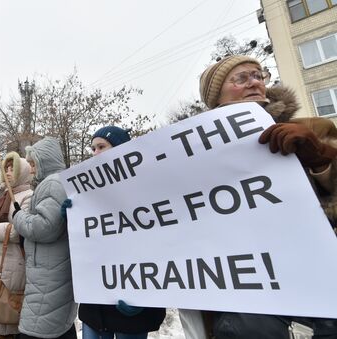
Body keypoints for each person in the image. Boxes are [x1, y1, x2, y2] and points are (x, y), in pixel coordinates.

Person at [179, 54, 337, 338]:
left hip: (317, 279)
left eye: (258, 74)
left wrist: (320, 159)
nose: (254, 81)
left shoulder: (313, 128)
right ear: (216, 96)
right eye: (241, 78)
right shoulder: (193, 152)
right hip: (243, 293)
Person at [74, 127, 167, 339]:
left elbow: (160, 247)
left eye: (102, 147)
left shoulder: (147, 190)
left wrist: (144, 296)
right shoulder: (87, 192)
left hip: (131, 309)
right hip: (95, 307)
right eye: (93, 148)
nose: (95, 153)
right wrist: (72, 215)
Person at [12, 137, 78, 339]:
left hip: (49, 274)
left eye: (33, 164)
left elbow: (45, 227)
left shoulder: (52, 183)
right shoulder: (58, 182)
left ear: (45, 162)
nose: (30, 169)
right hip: (51, 270)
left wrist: (18, 217)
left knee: (37, 327)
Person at [0, 152, 34, 339]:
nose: (9, 172)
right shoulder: (0, 198)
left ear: (23, 171)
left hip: (15, 264)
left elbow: (17, 230)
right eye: (6, 169)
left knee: (9, 316)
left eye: (13, 169)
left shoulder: (29, 196)